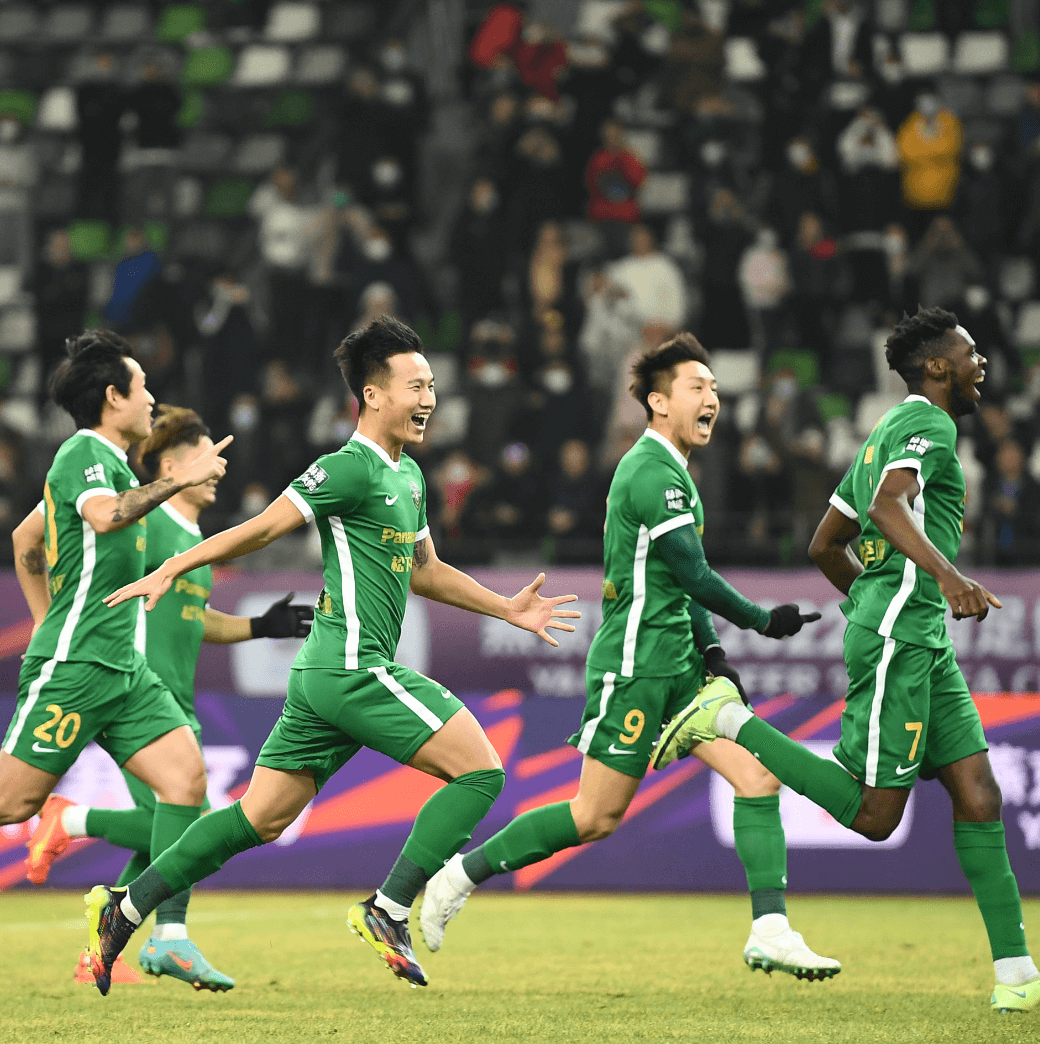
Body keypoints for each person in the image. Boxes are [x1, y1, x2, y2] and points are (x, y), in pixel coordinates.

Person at [84, 316, 581, 994]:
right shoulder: (347, 468)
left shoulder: (409, 476)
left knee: (258, 818)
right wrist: (174, 566)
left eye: (432, 386)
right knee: (481, 771)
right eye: (416, 386)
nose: (430, 399)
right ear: (372, 395)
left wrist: (506, 608)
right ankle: (389, 908)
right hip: (351, 666)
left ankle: (125, 906)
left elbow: (426, 571)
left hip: (326, 673)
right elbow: (264, 527)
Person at [655, 308, 1040, 1014]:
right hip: (903, 635)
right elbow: (890, 507)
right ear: (937, 366)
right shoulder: (930, 425)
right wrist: (943, 579)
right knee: (873, 816)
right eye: (969, 352)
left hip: (916, 636)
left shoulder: (884, 432)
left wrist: (872, 600)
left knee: (979, 794)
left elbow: (825, 544)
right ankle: (727, 719)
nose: (981, 362)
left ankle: (1017, 975)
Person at [420, 334, 839, 981]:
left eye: (715, 388)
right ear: (658, 402)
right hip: (636, 669)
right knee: (595, 817)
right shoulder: (650, 471)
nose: (712, 399)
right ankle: (458, 876)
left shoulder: (677, 472)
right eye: (697, 387)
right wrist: (762, 620)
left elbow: (678, 584)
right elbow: (694, 574)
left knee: (758, 780)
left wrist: (713, 652)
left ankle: (771, 930)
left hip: (681, 670)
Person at [23, 405, 313, 990]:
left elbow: (194, 618)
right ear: (171, 466)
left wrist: (261, 627)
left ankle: (98, 950)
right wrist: (47, 625)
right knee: (182, 822)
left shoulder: (190, 539)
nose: (219, 469)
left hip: (175, 699)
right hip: (134, 693)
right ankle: (72, 822)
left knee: (173, 829)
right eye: (206, 458)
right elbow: (38, 535)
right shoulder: (148, 521)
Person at [0, 332, 229, 920]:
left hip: (126, 670)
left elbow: (28, 538)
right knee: (13, 803)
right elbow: (103, 517)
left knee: (186, 785)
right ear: (112, 397)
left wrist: (45, 616)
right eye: (142, 387)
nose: (151, 398)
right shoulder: (82, 454)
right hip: (78, 665)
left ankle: (159, 936)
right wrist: (180, 478)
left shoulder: (117, 469)